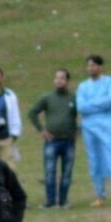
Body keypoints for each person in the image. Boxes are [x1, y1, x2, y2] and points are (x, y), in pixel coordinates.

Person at [76, 55, 111, 205]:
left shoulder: (110, 82)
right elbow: (81, 107)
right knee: (94, 159)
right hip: (89, 126)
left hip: (108, 124)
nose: (91, 68)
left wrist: (92, 104)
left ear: (100, 67)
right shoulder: (83, 86)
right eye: (89, 65)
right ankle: (100, 195)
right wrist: (100, 104)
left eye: (94, 65)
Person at [27, 68, 79, 207]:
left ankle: (63, 201)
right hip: (51, 141)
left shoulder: (74, 98)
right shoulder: (47, 98)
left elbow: (85, 113)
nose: (59, 80)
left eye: (62, 78)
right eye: (56, 78)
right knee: (49, 172)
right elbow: (32, 113)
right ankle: (50, 202)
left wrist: (78, 130)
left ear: (67, 81)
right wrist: (41, 130)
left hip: (69, 141)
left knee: (67, 172)